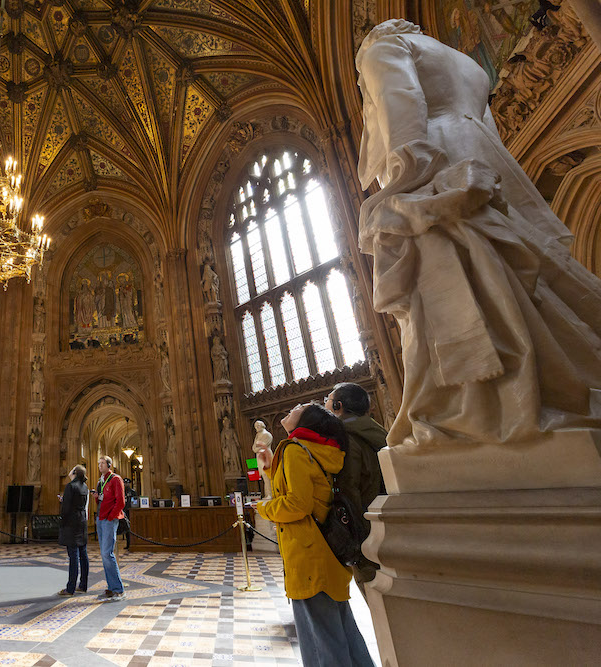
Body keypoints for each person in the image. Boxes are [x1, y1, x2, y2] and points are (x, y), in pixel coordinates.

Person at [356, 19, 601, 448]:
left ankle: (484, 410)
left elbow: (403, 103)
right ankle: (561, 388)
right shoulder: (463, 61)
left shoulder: (382, 48)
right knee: (518, 268)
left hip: (436, 155)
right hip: (483, 153)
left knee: (458, 271)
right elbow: (485, 121)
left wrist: (405, 187)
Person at [255, 404, 372, 667]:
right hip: (327, 552)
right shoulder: (318, 451)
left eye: (299, 407)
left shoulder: (295, 450)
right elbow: (305, 489)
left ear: (306, 422)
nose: (293, 407)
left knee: (321, 643)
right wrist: (268, 470)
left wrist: (262, 507)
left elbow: (297, 504)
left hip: (307, 555)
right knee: (344, 633)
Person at [325, 383, 387, 590]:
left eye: (328, 399)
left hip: (364, 529)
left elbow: (348, 489)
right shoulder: (380, 432)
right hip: (389, 520)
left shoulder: (346, 438)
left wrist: (352, 537)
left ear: (338, 406)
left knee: (374, 591)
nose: (325, 403)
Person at [92, 455, 125, 602]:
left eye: (102, 463)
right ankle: (111, 587)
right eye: (99, 463)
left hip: (109, 519)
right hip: (100, 518)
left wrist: (111, 516)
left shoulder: (116, 479)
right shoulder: (101, 480)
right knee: (104, 555)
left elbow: (121, 501)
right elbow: (102, 499)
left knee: (107, 553)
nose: (100, 465)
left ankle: (119, 590)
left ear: (109, 465)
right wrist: (96, 496)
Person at [57, 464, 89, 596]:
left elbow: (66, 509)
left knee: (73, 556)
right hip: (82, 521)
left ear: (74, 473)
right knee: (83, 554)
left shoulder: (71, 486)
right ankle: (83, 585)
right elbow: (77, 503)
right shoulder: (84, 486)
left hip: (71, 522)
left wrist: (62, 521)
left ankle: (70, 588)